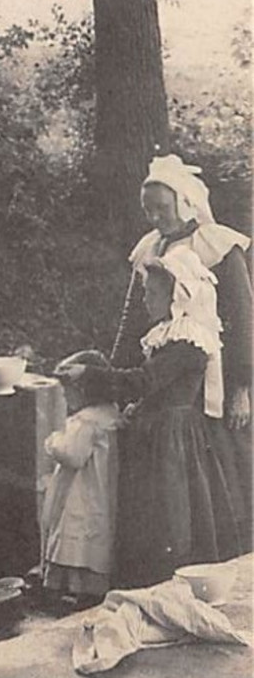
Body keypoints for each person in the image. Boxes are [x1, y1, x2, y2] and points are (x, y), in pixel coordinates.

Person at [65, 246, 241, 587]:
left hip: (171, 439)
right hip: (157, 431)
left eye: (152, 292)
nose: (145, 299)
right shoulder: (168, 336)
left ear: (176, 296)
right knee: (151, 512)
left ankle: (166, 580)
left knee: (170, 514)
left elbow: (143, 381)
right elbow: (153, 388)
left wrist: (88, 373)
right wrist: (138, 408)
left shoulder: (187, 341)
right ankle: (149, 580)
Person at [112, 153, 252, 552]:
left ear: (185, 202)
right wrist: (115, 377)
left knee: (227, 466)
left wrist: (243, 386)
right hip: (169, 379)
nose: (156, 217)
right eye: (148, 210)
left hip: (215, 379)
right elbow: (132, 319)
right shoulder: (150, 249)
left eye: (162, 207)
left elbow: (243, 318)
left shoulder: (218, 244)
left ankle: (231, 553)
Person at [41, 351, 122, 605]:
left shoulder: (86, 421)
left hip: (82, 491)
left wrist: (52, 441)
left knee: (76, 531)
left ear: (84, 390)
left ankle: (73, 589)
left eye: (68, 391)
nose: (65, 397)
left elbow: (72, 454)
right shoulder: (111, 413)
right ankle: (89, 588)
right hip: (102, 488)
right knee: (95, 534)